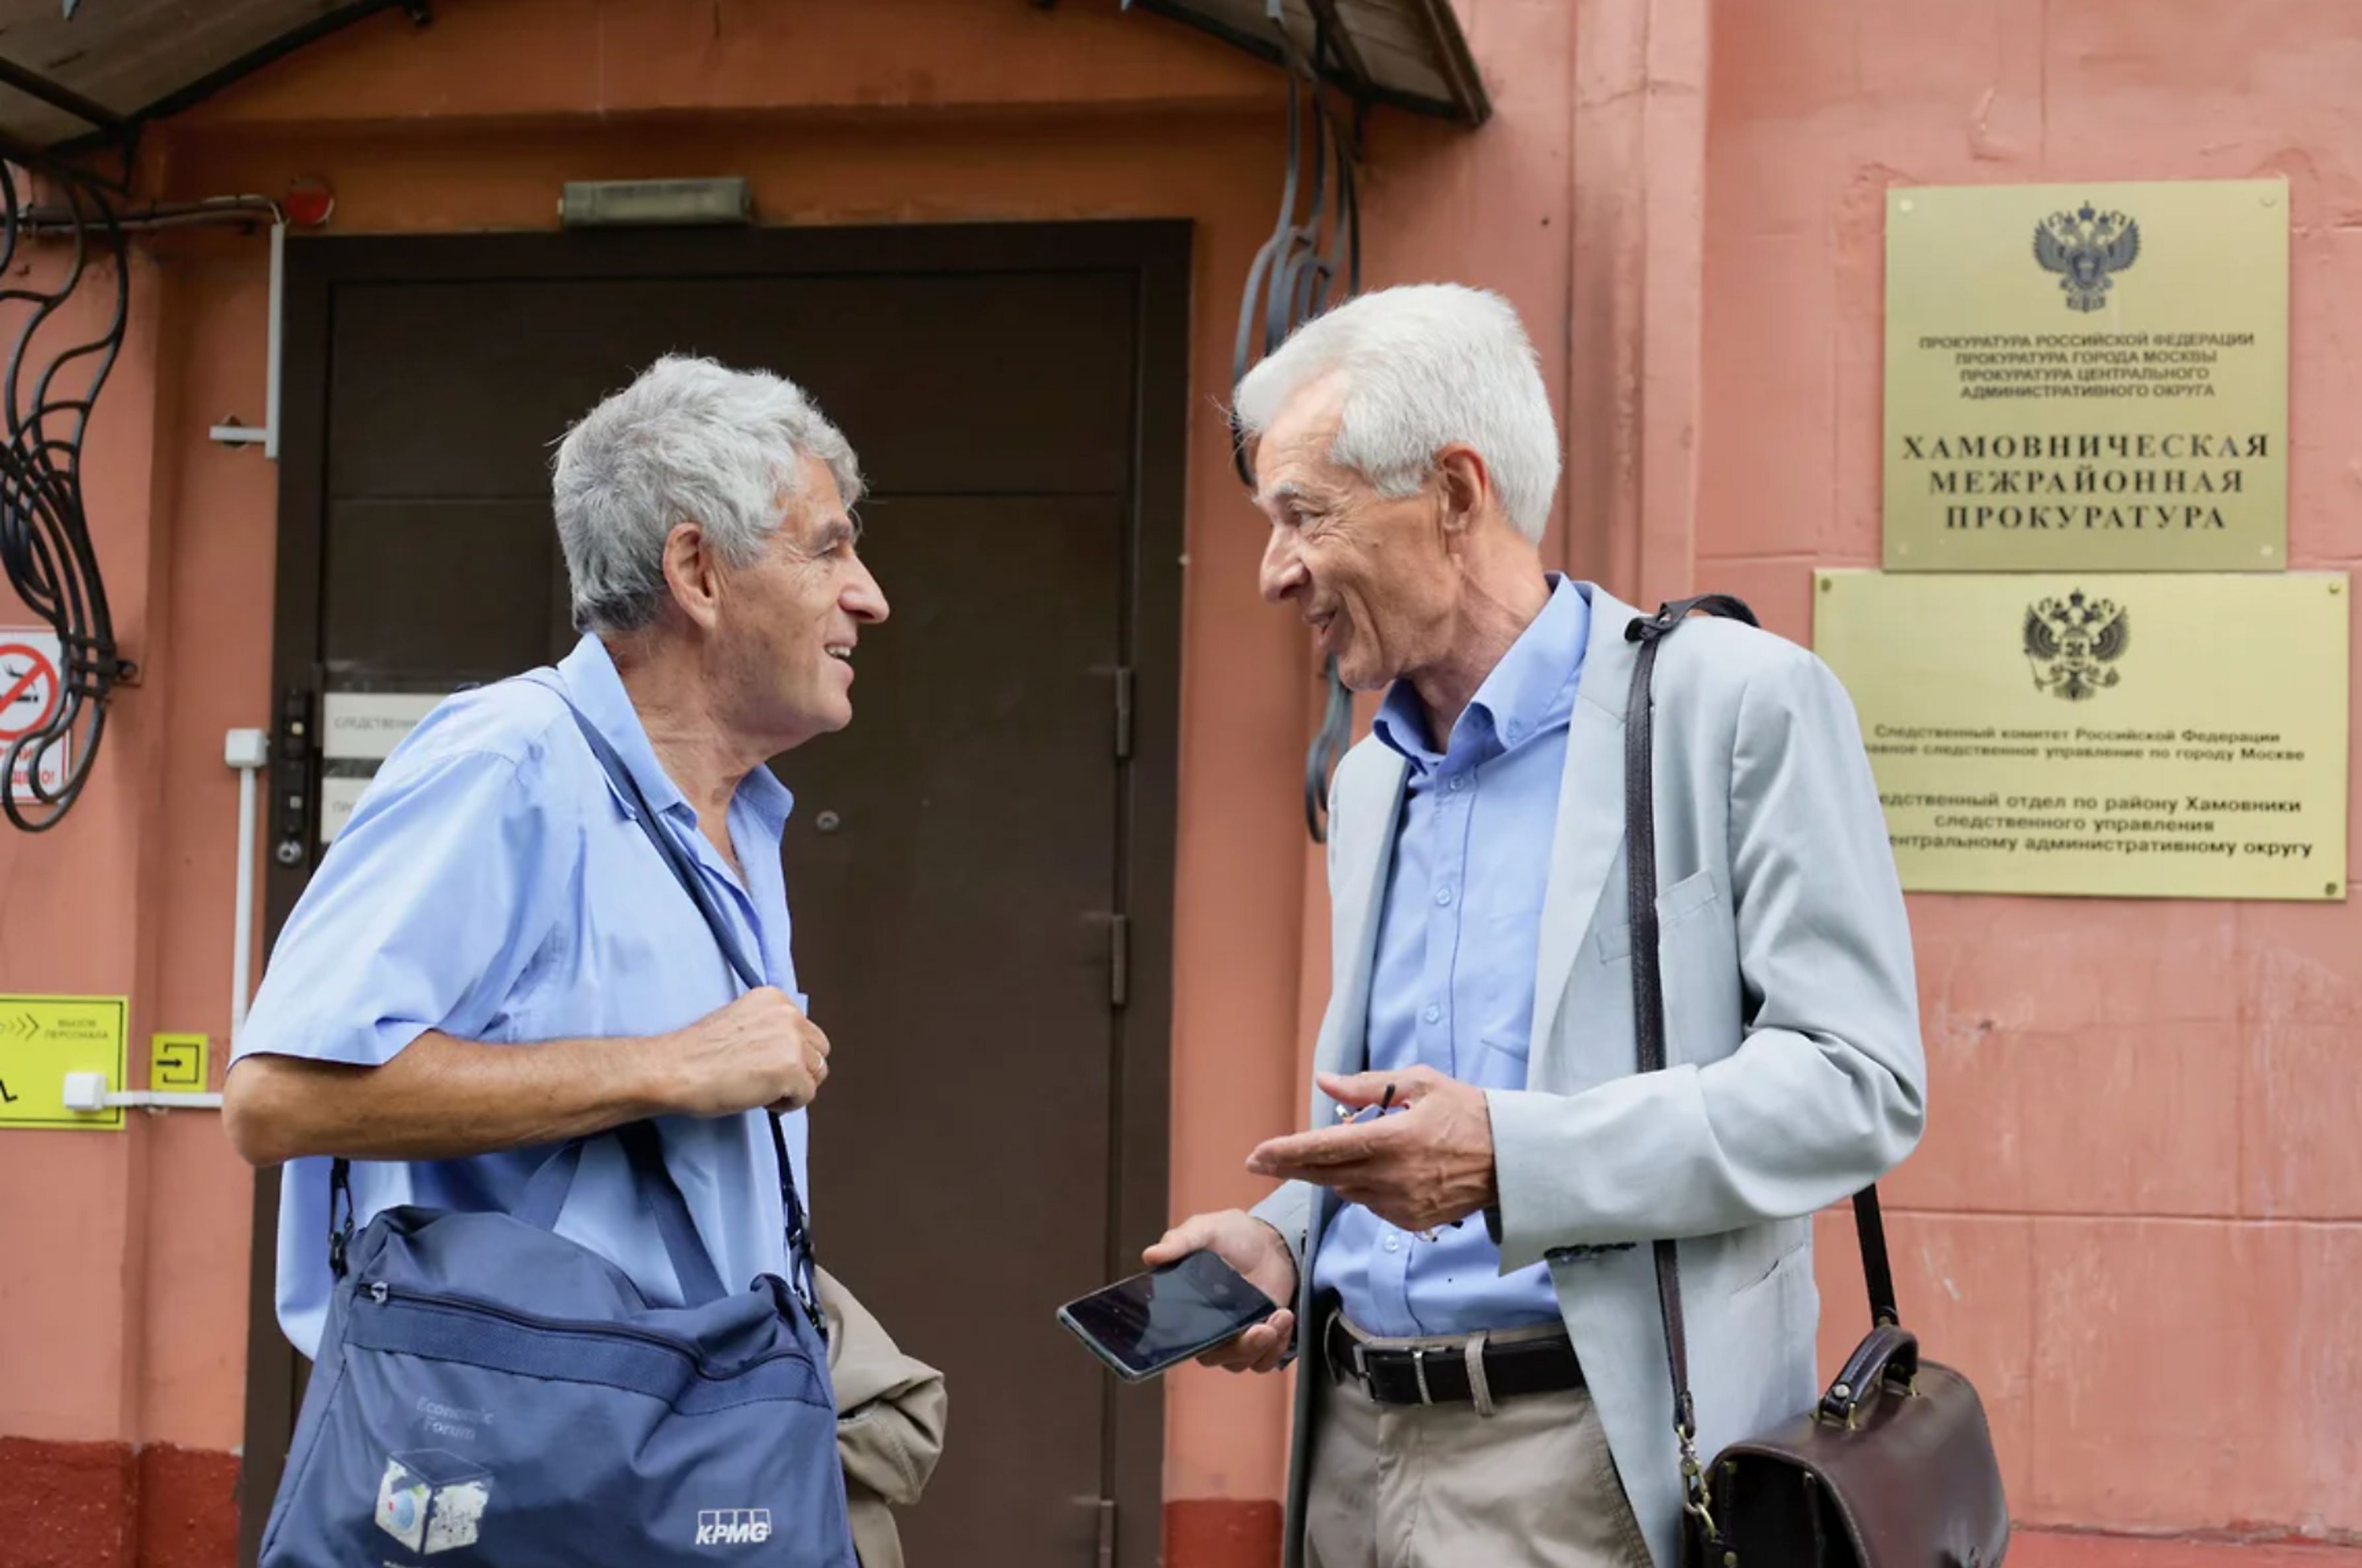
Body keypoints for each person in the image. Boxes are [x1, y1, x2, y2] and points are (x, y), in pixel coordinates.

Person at [1147, 284, 1927, 1568]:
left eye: (1305, 515)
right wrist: (1283, 1243)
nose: (1274, 571)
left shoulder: (1736, 708)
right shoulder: (1369, 775)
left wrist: (1514, 1158)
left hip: (1590, 1465)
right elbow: (1407, 1126)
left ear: (1456, 493)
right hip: (1349, 1450)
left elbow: (1859, 1089)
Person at [224, 353, 887, 1367]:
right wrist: (666, 1065)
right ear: (697, 571)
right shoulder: (510, 760)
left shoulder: (741, 810)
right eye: (827, 549)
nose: (867, 596)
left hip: (679, 1450)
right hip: (520, 1474)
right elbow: (277, 1097)